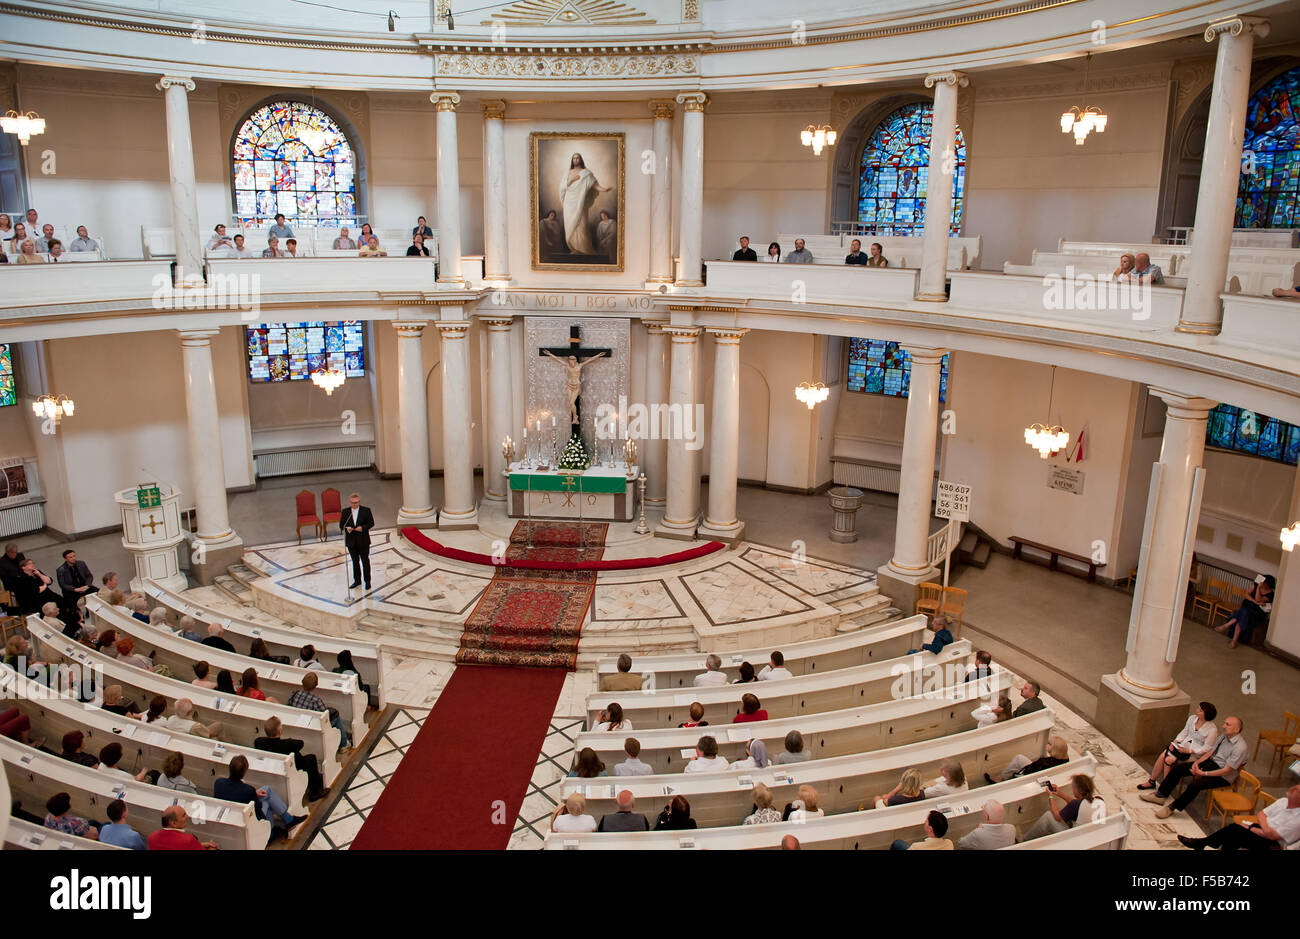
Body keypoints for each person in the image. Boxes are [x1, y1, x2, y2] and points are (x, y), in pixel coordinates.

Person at [1146, 716, 1250, 819]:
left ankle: (1173, 807)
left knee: (1196, 784)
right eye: (1224, 723)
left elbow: (1225, 771)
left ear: (1236, 729)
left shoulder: (1240, 748)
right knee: (1179, 768)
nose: (1223, 726)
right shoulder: (1224, 736)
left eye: (1227, 724)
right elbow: (1210, 752)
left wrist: (1202, 774)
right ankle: (1161, 795)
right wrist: (1197, 763)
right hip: (1212, 764)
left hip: (1224, 776)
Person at [1178, 783, 1300, 850]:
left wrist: (1251, 828)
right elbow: (1261, 814)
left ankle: (1202, 843)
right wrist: (1264, 827)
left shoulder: (1298, 818)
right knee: (1234, 832)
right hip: (1264, 830)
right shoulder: (1283, 801)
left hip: (1273, 844)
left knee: (1236, 831)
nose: (1293, 789)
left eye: (1297, 790)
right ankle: (1202, 843)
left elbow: (1272, 835)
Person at [214, 755, 307, 839]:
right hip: (248, 820)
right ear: (244, 772)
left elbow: (233, 793)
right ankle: (274, 831)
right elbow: (259, 812)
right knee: (267, 799)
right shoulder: (248, 790)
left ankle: (284, 823)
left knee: (266, 792)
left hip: (231, 817)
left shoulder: (218, 783)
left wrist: (255, 794)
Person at [1138, 701, 1218, 791]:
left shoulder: (1212, 730)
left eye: (1200, 710)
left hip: (1195, 754)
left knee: (1168, 759)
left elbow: (1207, 748)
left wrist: (1189, 751)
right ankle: (1151, 781)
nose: (1197, 710)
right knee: (1163, 755)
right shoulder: (1192, 718)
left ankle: (1165, 787)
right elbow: (1184, 732)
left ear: (1206, 714)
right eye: (1198, 708)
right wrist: (1175, 743)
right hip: (1182, 747)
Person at [256, 715, 330, 801]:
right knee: (311, 758)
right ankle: (315, 792)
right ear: (280, 731)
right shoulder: (288, 744)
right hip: (292, 768)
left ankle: (315, 778)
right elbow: (300, 743)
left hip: (274, 766)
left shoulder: (259, 742)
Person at [1024, 774, 1105, 840]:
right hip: (1093, 837)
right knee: (1067, 818)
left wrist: (1051, 796)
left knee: (1048, 816)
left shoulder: (1076, 805)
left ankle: (1024, 839)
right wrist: (1059, 793)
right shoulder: (1100, 801)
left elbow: (1057, 816)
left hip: (1075, 840)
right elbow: (1075, 805)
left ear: (1077, 790)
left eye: (1073, 787)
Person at [288, 671, 350, 749]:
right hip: (312, 725)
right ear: (316, 685)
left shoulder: (295, 694)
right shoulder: (316, 701)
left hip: (297, 721)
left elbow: (289, 705)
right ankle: (343, 744)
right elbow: (325, 716)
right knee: (335, 715)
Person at [1215, 574, 1274, 648]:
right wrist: (1254, 601)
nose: (1262, 584)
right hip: (1247, 608)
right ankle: (1234, 641)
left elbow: (1258, 599)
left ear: (1268, 584)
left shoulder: (1270, 593)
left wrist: (1259, 588)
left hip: (1256, 613)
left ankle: (1226, 626)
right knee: (1243, 613)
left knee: (1243, 613)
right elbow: (1246, 594)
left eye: (1264, 583)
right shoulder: (1255, 585)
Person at [986, 734, 1069, 783]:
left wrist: (1019, 774)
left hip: (1033, 778)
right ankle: (1001, 777)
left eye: (1049, 744)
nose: (1046, 744)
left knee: (1018, 759)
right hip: (1039, 774)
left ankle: (1000, 779)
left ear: (1054, 749)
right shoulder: (1064, 759)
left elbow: (1031, 770)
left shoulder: (1046, 763)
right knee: (1020, 759)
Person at [341, 492, 375, 589]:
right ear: (350, 502)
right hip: (351, 541)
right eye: (353, 503)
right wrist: (347, 528)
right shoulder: (345, 512)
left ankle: (367, 581)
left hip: (363, 541)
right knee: (355, 562)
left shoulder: (366, 510)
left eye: (356, 503)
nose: (355, 505)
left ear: (359, 502)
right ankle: (357, 581)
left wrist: (363, 528)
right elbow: (341, 525)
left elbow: (371, 523)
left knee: (365, 561)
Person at [148, 805, 218, 850]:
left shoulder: (152, 837)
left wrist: (199, 845)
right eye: (183, 815)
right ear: (174, 823)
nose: (187, 816)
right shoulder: (188, 840)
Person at [159, 697, 224, 739]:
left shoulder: (170, 719)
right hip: (197, 739)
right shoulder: (195, 726)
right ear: (189, 712)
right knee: (219, 725)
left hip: (184, 739)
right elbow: (209, 734)